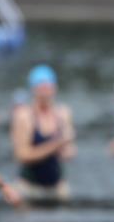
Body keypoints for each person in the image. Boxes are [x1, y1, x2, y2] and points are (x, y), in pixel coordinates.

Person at [10, 64, 75, 202]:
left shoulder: (63, 114)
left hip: (57, 187)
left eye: (49, 86)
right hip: (29, 187)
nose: (46, 91)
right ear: (34, 89)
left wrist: (66, 150)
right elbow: (22, 155)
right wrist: (55, 145)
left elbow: (70, 152)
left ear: (55, 87)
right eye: (42, 87)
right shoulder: (24, 116)